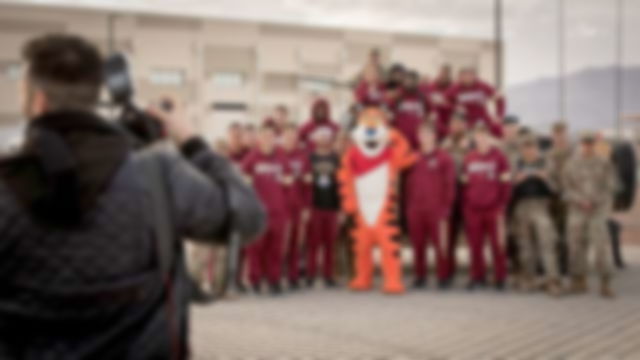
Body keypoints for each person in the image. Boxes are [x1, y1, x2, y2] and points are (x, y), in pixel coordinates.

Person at [0, 34, 264, 359]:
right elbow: (248, 218)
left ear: (37, 100)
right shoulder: (159, 174)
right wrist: (192, 141)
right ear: (95, 95)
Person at [562, 132, 617, 298]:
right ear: (580, 144)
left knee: (601, 246)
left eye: (590, 143)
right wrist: (580, 201)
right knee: (575, 246)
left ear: (594, 144)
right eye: (584, 143)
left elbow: (610, 187)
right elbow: (566, 188)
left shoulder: (604, 163)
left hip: (597, 211)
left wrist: (595, 202)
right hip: (577, 210)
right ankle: (578, 281)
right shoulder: (571, 164)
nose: (587, 146)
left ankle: (605, 283)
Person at [405, 123, 456, 289]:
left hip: (436, 209)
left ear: (434, 136)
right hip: (416, 209)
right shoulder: (412, 157)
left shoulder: (444, 158)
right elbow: (405, 183)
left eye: (427, 133)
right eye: (421, 134)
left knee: (441, 244)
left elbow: (450, 184)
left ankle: (443, 276)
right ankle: (420, 276)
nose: (424, 137)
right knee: (418, 244)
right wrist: (408, 206)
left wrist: (446, 207)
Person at [241, 124, 291, 295]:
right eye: (265, 136)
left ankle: (274, 280)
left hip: (278, 211)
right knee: (255, 248)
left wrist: (286, 186)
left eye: (271, 136)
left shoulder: (281, 156)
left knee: (276, 248)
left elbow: (288, 179)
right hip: (258, 212)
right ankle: (255, 280)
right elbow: (243, 179)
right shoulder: (252, 157)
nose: (268, 139)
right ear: (259, 139)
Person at [461, 122, 511, 290]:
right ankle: (477, 276)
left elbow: (506, 183)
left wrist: (501, 205)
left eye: (484, 136)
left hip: (493, 209)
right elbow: (464, 183)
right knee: (475, 245)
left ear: (490, 138)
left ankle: (500, 277)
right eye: (478, 136)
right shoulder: (469, 158)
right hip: (474, 209)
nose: (481, 139)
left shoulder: (499, 158)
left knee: (498, 244)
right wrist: (467, 204)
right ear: (475, 138)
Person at [512, 135, 562, 296]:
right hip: (522, 207)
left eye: (532, 147)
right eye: (526, 147)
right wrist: (517, 181)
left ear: (537, 149)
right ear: (522, 150)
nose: (529, 150)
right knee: (525, 246)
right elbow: (507, 188)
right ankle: (528, 279)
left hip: (540, 206)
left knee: (547, 244)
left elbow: (556, 189)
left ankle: (552, 280)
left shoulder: (545, 164)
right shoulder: (517, 164)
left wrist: (545, 178)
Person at [306, 127, 341, 288]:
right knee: (313, 243)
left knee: (330, 244)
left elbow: (342, 184)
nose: (323, 140)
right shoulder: (310, 158)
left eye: (326, 137)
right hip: (315, 206)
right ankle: (311, 275)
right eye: (320, 137)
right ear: (315, 139)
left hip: (332, 206)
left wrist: (342, 208)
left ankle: (328, 275)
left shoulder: (336, 158)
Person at [440, 112, 472, 280]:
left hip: (470, 192)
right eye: (453, 123)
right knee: (449, 234)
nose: (456, 127)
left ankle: (475, 274)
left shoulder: (473, 142)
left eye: (459, 123)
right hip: (451, 193)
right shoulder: (445, 144)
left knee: (472, 235)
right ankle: (449, 270)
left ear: (465, 125)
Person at [280, 124, 311, 290]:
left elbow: (307, 185)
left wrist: (306, 207)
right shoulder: (276, 155)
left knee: (295, 243)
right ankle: (275, 276)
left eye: (294, 136)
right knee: (280, 243)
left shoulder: (303, 157)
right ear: (283, 137)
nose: (291, 139)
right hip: (280, 207)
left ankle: (293, 277)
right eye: (288, 135)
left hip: (297, 207)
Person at [448, 67, 505, 137]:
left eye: (469, 75)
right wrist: (455, 107)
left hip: (482, 120)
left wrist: (499, 115)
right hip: (465, 122)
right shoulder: (455, 88)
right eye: (464, 76)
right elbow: (445, 102)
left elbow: (500, 98)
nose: (467, 78)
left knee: (498, 130)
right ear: (460, 77)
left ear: (474, 76)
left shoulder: (483, 86)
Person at [546, 121, 572, 274]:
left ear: (566, 135)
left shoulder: (574, 154)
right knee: (553, 232)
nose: (559, 138)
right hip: (553, 198)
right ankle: (555, 265)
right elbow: (548, 176)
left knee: (568, 233)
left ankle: (566, 265)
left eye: (562, 134)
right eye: (556, 135)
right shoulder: (548, 154)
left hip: (569, 199)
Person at [388, 70, 431, 149]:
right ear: (404, 81)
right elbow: (389, 112)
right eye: (408, 80)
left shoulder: (422, 97)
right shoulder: (398, 95)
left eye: (413, 80)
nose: (410, 82)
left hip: (417, 140)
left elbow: (430, 113)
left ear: (417, 82)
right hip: (401, 138)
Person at [428, 64, 455, 139]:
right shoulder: (431, 86)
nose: (443, 76)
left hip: (448, 122)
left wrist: (444, 104)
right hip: (434, 124)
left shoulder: (454, 87)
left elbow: (456, 106)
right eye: (442, 73)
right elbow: (428, 103)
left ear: (449, 75)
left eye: (446, 73)